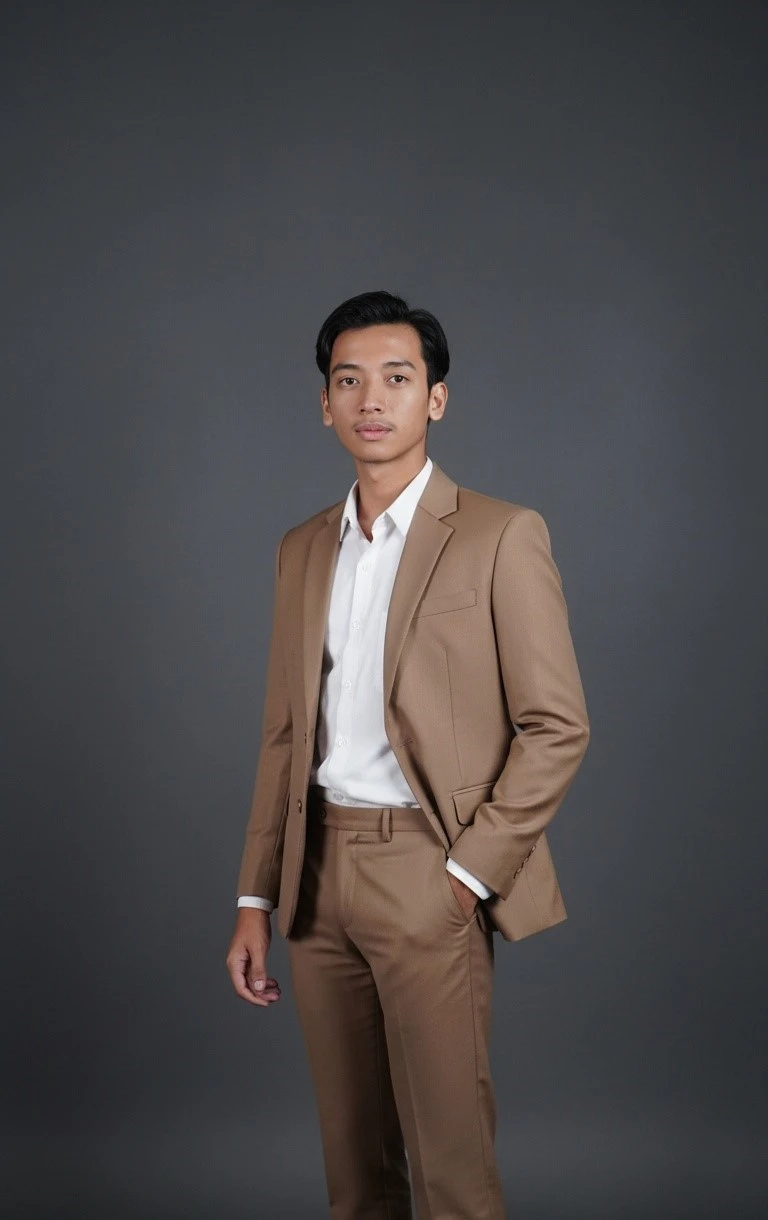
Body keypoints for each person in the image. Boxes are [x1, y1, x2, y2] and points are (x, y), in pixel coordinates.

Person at [226, 289, 590, 1219]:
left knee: (451, 1173)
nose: (371, 398)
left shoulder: (501, 534)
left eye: (396, 377)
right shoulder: (302, 548)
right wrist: (256, 900)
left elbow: (557, 725)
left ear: (436, 398)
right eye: (349, 380)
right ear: (325, 404)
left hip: (430, 871)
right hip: (315, 879)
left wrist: (466, 876)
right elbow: (284, 735)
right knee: (356, 1175)